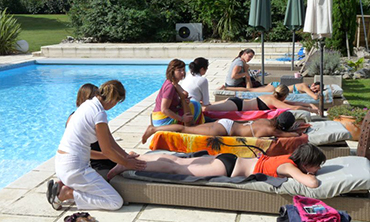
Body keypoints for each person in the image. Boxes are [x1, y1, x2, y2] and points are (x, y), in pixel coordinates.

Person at [47, 80, 146, 211]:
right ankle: (67, 194)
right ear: (113, 99)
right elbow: (107, 150)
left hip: (61, 164)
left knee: (98, 188)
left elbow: (110, 140)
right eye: (117, 102)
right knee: (115, 202)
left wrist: (126, 156)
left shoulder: (87, 105)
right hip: (75, 168)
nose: (115, 105)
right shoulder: (99, 113)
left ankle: (66, 186)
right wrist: (127, 164)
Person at [107, 143, 326, 188]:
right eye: (317, 165)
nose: (318, 169)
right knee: (177, 169)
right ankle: (126, 165)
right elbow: (312, 183)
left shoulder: (289, 158)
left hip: (228, 159)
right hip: (227, 168)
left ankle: (133, 158)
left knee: (178, 161)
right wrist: (309, 174)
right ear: (306, 163)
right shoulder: (290, 167)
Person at [142, 111, 298, 144]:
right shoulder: (272, 131)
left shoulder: (268, 121)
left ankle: (155, 130)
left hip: (226, 123)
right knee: (185, 130)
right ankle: (154, 129)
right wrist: (297, 130)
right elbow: (292, 136)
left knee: (189, 128)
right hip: (224, 130)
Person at [66, 83, 116, 170]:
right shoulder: (97, 117)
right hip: (97, 161)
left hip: (90, 159)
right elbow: (81, 151)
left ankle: (61, 182)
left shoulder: (73, 117)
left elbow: (111, 142)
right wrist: (110, 155)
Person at [151, 59, 204, 127]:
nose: (182, 72)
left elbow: (173, 103)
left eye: (183, 70)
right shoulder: (170, 87)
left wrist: (181, 102)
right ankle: (194, 127)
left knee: (194, 104)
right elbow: (164, 109)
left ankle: (196, 125)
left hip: (161, 117)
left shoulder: (173, 83)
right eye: (179, 70)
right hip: (162, 120)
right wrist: (182, 119)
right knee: (195, 107)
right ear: (172, 71)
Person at [203, 84, 319, 114]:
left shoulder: (273, 98)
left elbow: (292, 102)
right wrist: (310, 110)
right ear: (283, 95)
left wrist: (309, 104)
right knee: (206, 109)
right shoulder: (274, 100)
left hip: (235, 101)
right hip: (236, 105)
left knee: (207, 106)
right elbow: (293, 107)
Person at [226, 82, 321, 100]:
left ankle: (226, 88)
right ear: (313, 84)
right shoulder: (305, 86)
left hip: (278, 88)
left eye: (316, 90)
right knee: (250, 90)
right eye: (315, 88)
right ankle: (226, 88)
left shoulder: (306, 88)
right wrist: (319, 93)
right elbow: (315, 97)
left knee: (251, 90)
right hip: (276, 87)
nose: (314, 90)